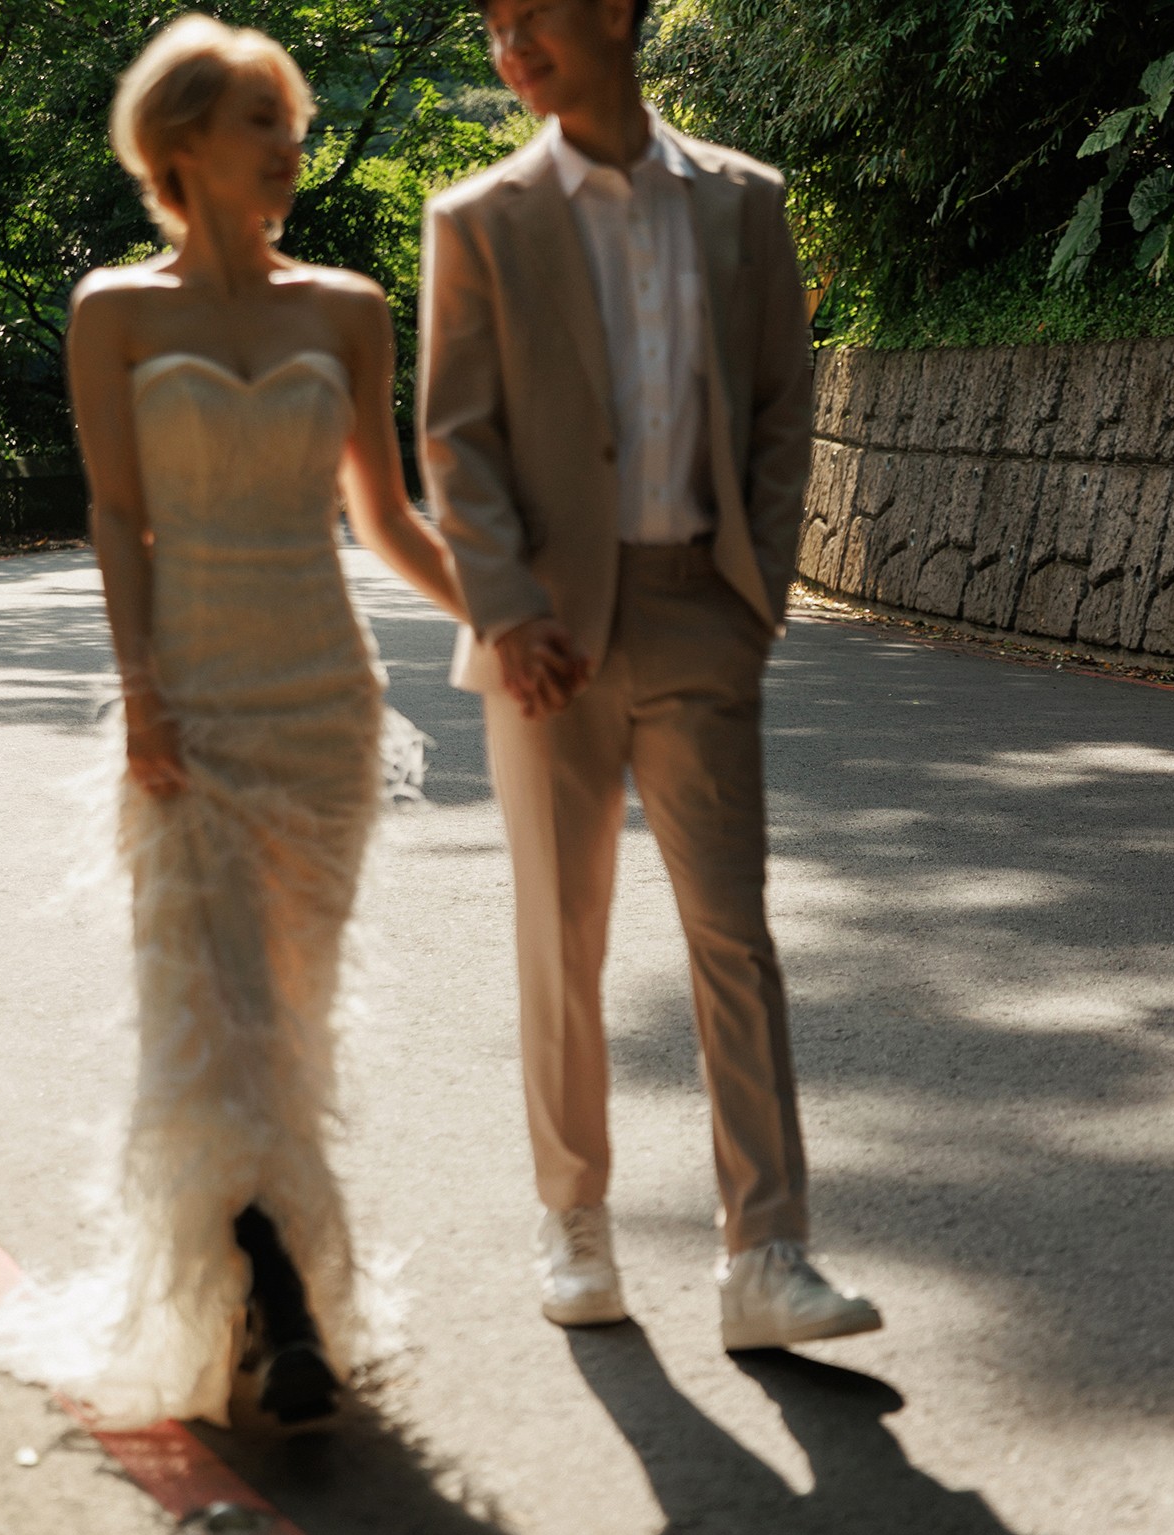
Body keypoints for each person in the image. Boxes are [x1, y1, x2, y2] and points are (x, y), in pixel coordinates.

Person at [0, 15, 462, 1430]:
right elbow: (117, 518)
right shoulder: (114, 312)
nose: (290, 142)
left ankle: (274, 1295)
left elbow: (387, 519)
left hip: (326, 707)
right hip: (189, 710)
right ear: (180, 140)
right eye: (264, 117)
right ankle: (278, 1305)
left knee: (290, 1018)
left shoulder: (349, 309)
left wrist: (509, 613)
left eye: (293, 119)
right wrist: (141, 694)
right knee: (217, 1018)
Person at [419, 0, 883, 1348]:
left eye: (534, 18)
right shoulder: (475, 219)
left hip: (699, 614)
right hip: (542, 640)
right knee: (561, 936)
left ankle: (767, 1254)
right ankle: (573, 1221)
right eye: (494, 26)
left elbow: (782, 408)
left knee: (734, 934)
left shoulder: (745, 202)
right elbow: (455, 443)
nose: (511, 48)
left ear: (616, 13)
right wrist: (508, 612)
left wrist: (756, 599)